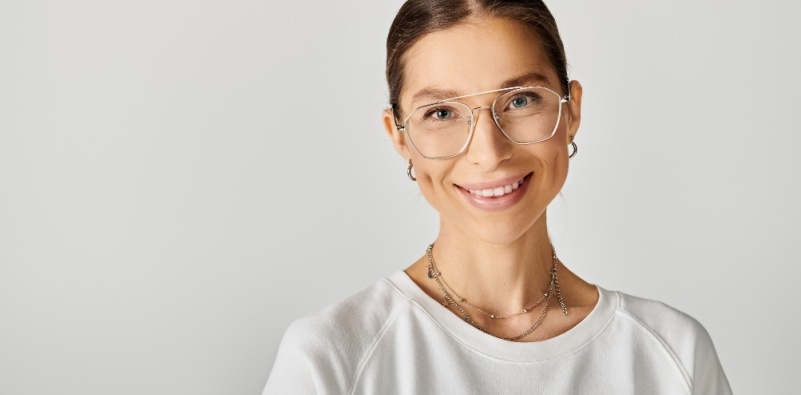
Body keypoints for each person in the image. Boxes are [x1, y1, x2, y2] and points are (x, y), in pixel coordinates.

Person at [263, 1, 732, 393]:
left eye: (521, 100)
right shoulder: (331, 359)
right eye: (442, 112)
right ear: (399, 136)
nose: (489, 153)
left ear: (571, 112)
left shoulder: (672, 355)